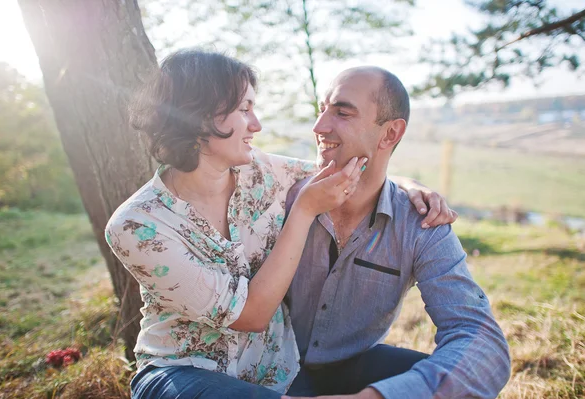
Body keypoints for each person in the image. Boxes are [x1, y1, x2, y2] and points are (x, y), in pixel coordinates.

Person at [105, 50, 456, 399]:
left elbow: (352, 172)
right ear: (197, 116)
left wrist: (412, 188)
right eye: (244, 109)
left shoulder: (265, 173)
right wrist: (303, 211)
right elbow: (250, 315)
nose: (256, 125)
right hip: (184, 374)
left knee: (440, 384)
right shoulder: (137, 225)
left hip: (278, 376)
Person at [283, 67, 511, 399]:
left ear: (390, 134)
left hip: (359, 368)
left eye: (342, 112)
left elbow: (480, 339)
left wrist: (378, 397)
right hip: (270, 366)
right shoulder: (281, 195)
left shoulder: (422, 224)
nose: (319, 127)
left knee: (458, 387)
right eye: (322, 110)